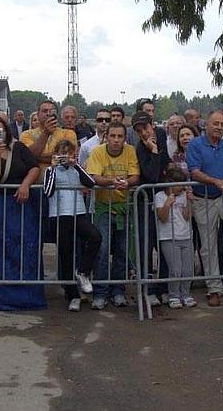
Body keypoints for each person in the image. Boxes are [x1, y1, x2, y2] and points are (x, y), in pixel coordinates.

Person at [0, 115, 43, 311]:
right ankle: (1, 297)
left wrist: (25, 185)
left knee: (26, 248)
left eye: (1, 130)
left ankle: (29, 296)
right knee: (0, 249)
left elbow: (34, 168)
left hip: (23, 205)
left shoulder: (19, 147)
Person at [187, 110, 223, 307]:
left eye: (222, 124)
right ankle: (213, 288)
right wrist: (216, 181)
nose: (220, 127)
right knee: (208, 245)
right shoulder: (195, 145)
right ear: (206, 125)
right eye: (216, 123)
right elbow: (194, 172)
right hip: (202, 198)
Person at [85, 122, 140, 310]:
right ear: (106, 137)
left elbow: (135, 176)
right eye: (113, 136)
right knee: (102, 250)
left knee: (122, 251)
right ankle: (100, 293)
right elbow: (94, 176)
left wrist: (128, 183)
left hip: (124, 208)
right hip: (103, 208)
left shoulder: (130, 151)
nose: (116, 140)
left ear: (125, 138)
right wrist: (111, 181)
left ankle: (118, 291)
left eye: (120, 136)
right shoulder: (97, 152)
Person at [42, 139, 100, 312]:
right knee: (66, 255)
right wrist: (53, 168)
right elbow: (48, 191)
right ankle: (73, 295)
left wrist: (76, 166)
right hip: (59, 215)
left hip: (78, 213)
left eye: (68, 153)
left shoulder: (76, 169)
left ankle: (83, 272)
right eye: (62, 153)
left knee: (95, 236)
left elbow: (91, 183)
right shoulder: (50, 171)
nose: (65, 157)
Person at [132, 111, 172, 307]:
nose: (144, 133)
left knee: (164, 244)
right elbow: (152, 176)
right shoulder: (140, 148)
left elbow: (167, 164)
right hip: (145, 201)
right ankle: (147, 289)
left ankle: (164, 287)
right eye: (139, 131)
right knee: (146, 246)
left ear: (152, 125)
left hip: (163, 199)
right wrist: (154, 151)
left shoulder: (162, 136)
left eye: (145, 128)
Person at [154, 165, 197, 309]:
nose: (180, 187)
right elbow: (162, 218)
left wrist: (190, 201)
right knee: (175, 269)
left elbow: (187, 216)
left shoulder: (184, 195)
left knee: (187, 269)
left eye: (182, 184)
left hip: (186, 235)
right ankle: (173, 295)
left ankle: (186, 294)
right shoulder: (160, 196)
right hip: (168, 237)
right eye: (177, 184)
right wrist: (167, 204)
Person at [20, 100, 79, 183]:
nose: (48, 114)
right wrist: (46, 133)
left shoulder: (68, 133)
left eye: (52, 111)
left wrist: (38, 158)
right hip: (35, 184)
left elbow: (68, 158)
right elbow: (28, 157)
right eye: (44, 111)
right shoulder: (26, 134)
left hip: (62, 184)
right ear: (38, 115)